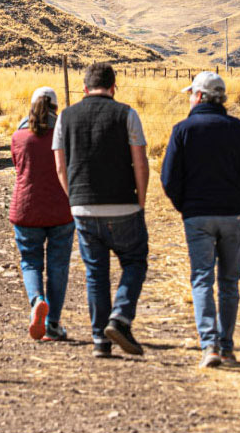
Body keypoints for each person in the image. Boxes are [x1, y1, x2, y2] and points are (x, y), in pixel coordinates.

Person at [161, 71, 240, 368]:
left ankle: (210, 346)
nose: (190, 99)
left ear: (199, 96)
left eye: (192, 94)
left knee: (202, 277)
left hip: (198, 216)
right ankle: (227, 345)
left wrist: (185, 206)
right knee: (229, 281)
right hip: (233, 215)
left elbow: (169, 177)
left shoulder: (183, 129)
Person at [53, 62, 149, 359]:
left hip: (83, 206)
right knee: (134, 262)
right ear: (113, 87)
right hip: (123, 205)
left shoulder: (65, 117)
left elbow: (59, 166)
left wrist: (74, 199)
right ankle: (120, 317)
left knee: (96, 273)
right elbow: (141, 162)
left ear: (84, 88)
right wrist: (141, 201)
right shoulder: (127, 114)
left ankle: (99, 341)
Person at [9, 86, 75, 342]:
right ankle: (54, 324)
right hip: (61, 210)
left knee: (30, 261)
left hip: (26, 210)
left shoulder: (18, 137)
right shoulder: (65, 137)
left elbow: (17, 166)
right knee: (58, 266)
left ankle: (37, 300)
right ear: (56, 109)